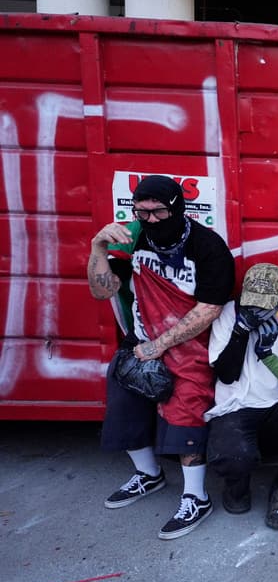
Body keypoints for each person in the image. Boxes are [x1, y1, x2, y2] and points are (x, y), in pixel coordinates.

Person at [87, 174, 234, 539]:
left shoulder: (208, 247)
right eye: (142, 212)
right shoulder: (131, 238)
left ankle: (195, 497)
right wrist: (97, 249)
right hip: (140, 340)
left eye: (158, 212)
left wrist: (160, 345)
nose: (150, 220)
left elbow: (210, 308)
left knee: (187, 418)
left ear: (177, 209)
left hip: (189, 346)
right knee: (125, 408)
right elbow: (101, 292)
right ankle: (148, 475)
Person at [205, 263, 278, 531]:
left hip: (277, 410)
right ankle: (236, 485)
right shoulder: (229, 316)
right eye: (251, 303)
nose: (256, 311)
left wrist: (267, 355)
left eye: (264, 305)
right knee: (234, 457)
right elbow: (226, 374)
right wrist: (241, 333)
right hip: (235, 409)